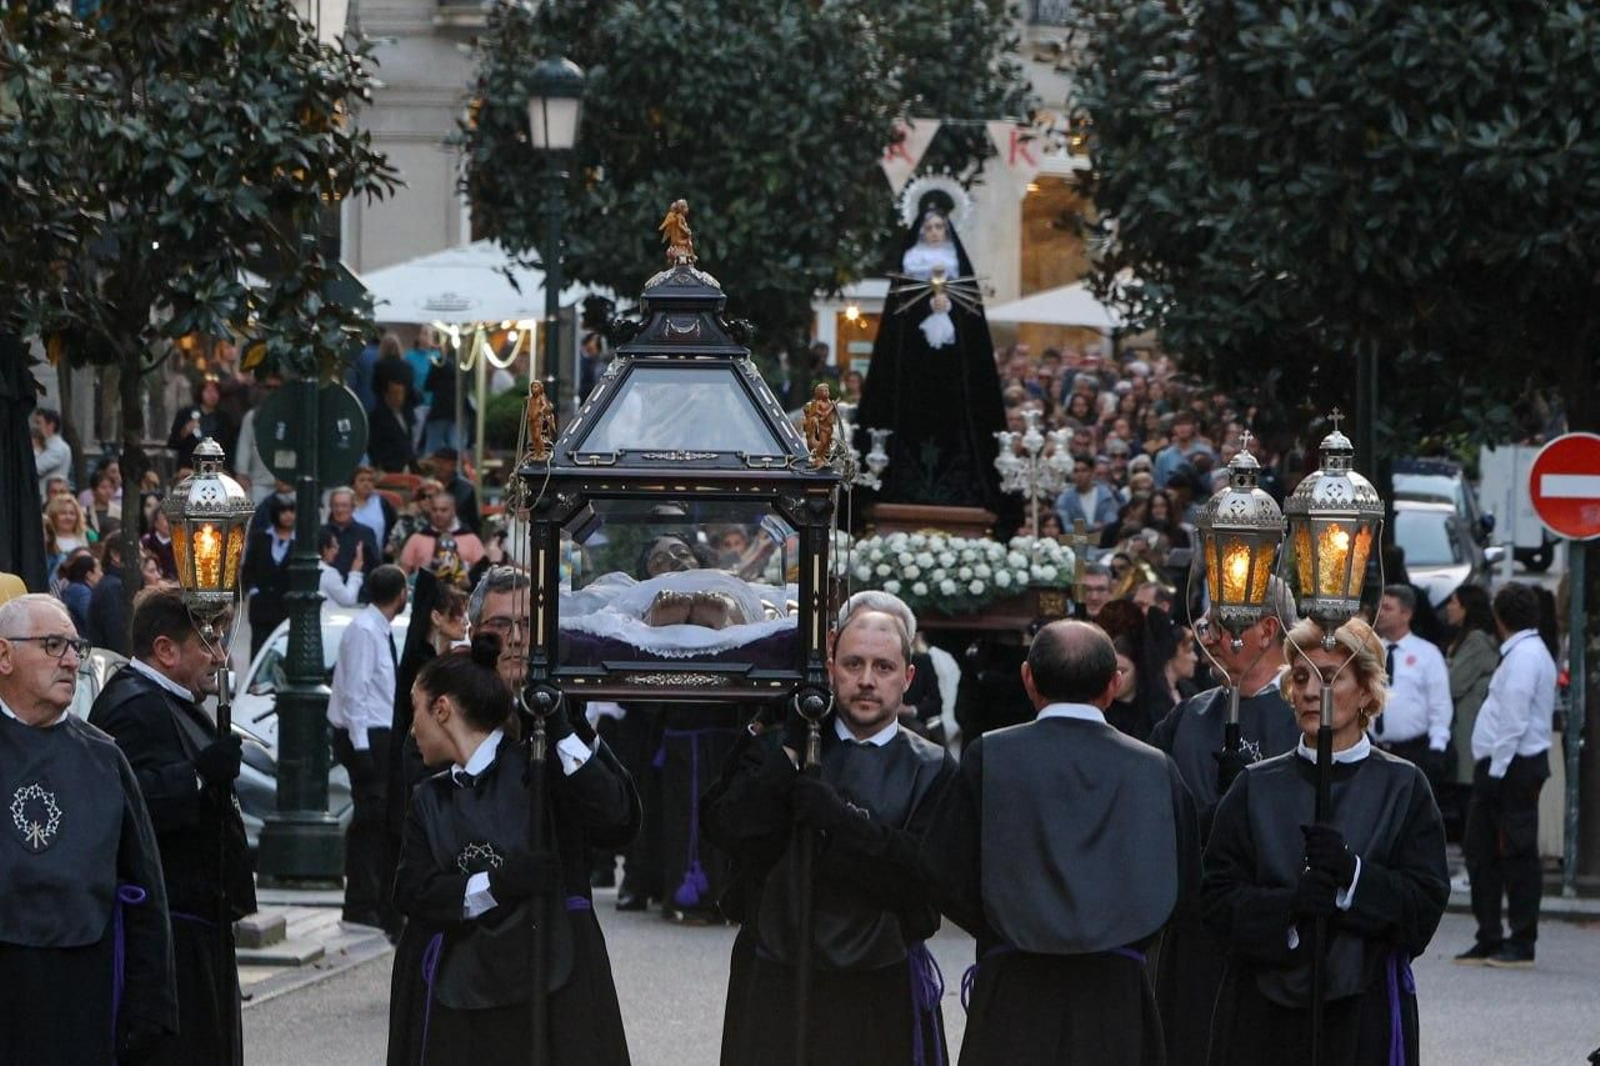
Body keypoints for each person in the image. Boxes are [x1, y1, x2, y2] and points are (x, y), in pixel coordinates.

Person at [387, 570, 640, 1064]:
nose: (517, 640)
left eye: (529, 624)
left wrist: (559, 723)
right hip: (459, 964)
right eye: (501, 625)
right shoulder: (440, 726)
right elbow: (421, 862)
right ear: (476, 633)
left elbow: (617, 821)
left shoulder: (570, 719)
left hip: (557, 957)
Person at [921, 620, 1197, 1065]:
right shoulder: (1156, 769)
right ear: (1113, 683)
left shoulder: (988, 756)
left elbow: (944, 871)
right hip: (1116, 994)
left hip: (1015, 988)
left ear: (1028, 678)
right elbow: (1183, 884)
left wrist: (1007, 926)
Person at [705, 606, 958, 1065]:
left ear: (907, 676)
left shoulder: (932, 766)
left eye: (883, 667)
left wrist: (839, 821)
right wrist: (785, 755)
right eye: (853, 664)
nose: (866, 680)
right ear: (830, 668)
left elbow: (925, 876)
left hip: (878, 983)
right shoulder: (786, 745)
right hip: (778, 974)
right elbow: (728, 828)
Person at [1202, 615, 1449, 1063]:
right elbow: (1217, 900)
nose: (1312, 691)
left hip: (1362, 1013)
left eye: (1331, 677)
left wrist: (1353, 877)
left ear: (1367, 691)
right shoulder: (1254, 787)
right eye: (1301, 677)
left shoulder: (1403, 786)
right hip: (1263, 1015)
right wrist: (1289, 908)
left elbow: (1424, 906)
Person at [0, 595, 177, 1063]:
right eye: (54, 645)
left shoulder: (104, 757)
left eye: (76, 647)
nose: (72, 661)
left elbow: (145, 885)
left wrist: (150, 1004)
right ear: (4, 656)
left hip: (83, 983)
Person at [90, 587, 255, 1065]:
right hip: (172, 938)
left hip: (198, 931)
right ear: (164, 649)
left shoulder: (173, 701)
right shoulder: (133, 704)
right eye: (209, 643)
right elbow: (126, 807)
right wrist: (200, 775)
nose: (221, 656)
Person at [1147, 580, 1303, 1066]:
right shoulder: (1189, 716)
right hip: (1193, 935)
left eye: (1218, 625)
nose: (1206, 638)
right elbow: (1154, 817)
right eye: (1206, 625)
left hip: (1273, 939)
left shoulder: (1307, 716)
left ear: (1267, 630)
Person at [855, 202, 1008, 512]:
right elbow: (895, 333)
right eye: (929, 227)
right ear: (920, 232)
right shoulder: (908, 271)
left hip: (953, 381)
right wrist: (925, 309)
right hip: (912, 377)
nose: (935, 233)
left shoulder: (960, 270)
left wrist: (949, 309)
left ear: (948, 230)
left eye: (940, 227)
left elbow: (972, 334)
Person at [1457, 581, 1558, 969]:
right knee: (1481, 849)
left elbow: (1513, 720)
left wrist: (1496, 772)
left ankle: (1520, 939)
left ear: (1499, 617)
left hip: (1512, 765)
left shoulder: (1525, 656)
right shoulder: (1523, 652)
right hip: (1505, 763)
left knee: (1516, 852)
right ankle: (1490, 935)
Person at [328, 564, 407, 930]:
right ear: (400, 594)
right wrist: (361, 749)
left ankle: (374, 899)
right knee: (369, 821)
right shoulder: (364, 631)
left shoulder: (377, 629)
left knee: (377, 821)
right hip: (366, 737)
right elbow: (355, 694)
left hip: (378, 735)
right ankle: (360, 901)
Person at [1371, 584, 1453, 789]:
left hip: (1414, 751)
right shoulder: (1369, 652)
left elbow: (1440, 703)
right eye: (1379, 607)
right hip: (1373, 749)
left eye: (1388, 608)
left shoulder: (1427, 654)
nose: (1380, 613)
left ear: (1406, 614)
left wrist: (1437, 747)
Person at [1442, 583, 1498, 830]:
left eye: (1453, 602)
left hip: (1470, 728)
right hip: (1465, 726)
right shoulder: (1466, 639)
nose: (1448, 608)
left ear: (1466, 608)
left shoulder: (1476, 640)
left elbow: (1453, 684)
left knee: (1469, 791)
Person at [243, 495, 296, 659]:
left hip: (287, 607)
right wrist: (252, 590)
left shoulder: (300, 541)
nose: (288, 515)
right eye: (283, 511)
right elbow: (248, 568)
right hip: (261, 608)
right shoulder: (260, 538)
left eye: (291, 511)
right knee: (259, 650)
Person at [399, 490, 486, 577]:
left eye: (443, 510)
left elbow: (482, 572)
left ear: (453, 510)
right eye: (434, 510)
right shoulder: (417, 539)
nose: (438, 514)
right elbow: (403, 572)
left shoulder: (471, 539)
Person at [166, 379, 237, 471]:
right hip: (189, 469)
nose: (212, 395)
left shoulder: (224, 418)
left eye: (215, 391)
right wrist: (185, 431)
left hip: (216, 470)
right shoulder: (186, 413)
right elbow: (172, 443)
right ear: (200, 393)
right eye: (208, 391)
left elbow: (230, 447)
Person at [322, 485, 383, 579]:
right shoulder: (321, 533)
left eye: (344, 505)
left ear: (353, 507)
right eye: (336, 505)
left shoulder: (366, 533)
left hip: (359, 589)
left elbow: (374, 567)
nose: (340, 510)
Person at [1053, 453, 1120, 538]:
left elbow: (1111, 522)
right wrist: (1092, 527)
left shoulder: (1105, 494)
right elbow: (1065, 528)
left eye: (1084, 470)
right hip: (1076, 546)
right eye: (1076, 471)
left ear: (1092, 472)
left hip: (1104, 545)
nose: (1079, 475)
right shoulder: (1065, 498)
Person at [89, 538, 132, 655]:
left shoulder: (112, 584)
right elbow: (118, 636)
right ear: (116, 555)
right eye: (136, 551)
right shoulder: (113, 588)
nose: (142, 555)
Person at [369, 379, 417, 473]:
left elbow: (408, 440)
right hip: (386, 467)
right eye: (394, 393)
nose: (398, 397)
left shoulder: (406, 414)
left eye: (401, 393)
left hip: (406, 465)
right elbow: (373, 443)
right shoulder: (377, 416)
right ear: (386, 395)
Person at [429, 447, 482, 534]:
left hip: (460, 537)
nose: (440, 466)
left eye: (444, 462)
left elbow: (474, 523)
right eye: (437, 462)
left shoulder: (467, 489)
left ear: (453, 465)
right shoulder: (426, 487)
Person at [351, 465, 398, 554]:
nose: (366, 483)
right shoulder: (345, 503)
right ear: (353, 484)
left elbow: (394, 525)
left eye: (370, 480)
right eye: (362, 480)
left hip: (378, 558)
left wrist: (390, 544)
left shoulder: (382, 503)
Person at [318, 527, 365, 609]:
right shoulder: (328, 573)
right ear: (325, 549)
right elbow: (348, 600)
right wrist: (355, 573)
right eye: (334, 547)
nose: (336, 552)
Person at [32, 406, 72, 502]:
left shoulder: (58, 448)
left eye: (38, 423)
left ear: (51, 425)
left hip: (50, 501)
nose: (35, 427)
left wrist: (35, 448)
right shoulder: (46, 445)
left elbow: (34, 468)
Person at [58, 550, 98, 638]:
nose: (101, 574)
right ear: (89, 574)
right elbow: (90, 616)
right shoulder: (81, 591)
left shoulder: (73, 588)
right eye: (99, 571)